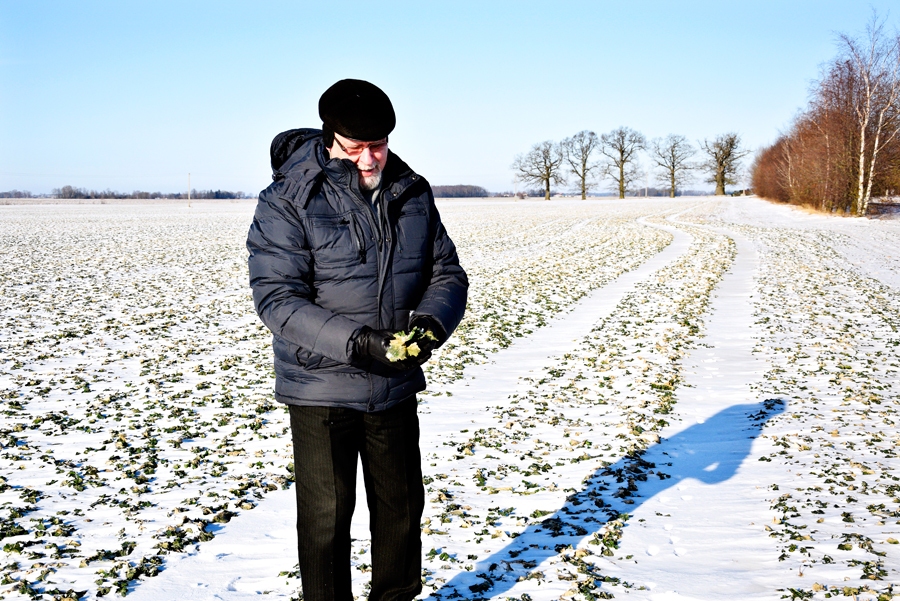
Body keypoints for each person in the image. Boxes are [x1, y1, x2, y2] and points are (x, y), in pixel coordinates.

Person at [246, 79, 468, 601]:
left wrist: (431, 325)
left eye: (378, 146)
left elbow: (447, 272)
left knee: (400, 508)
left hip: (391, 383)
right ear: (330, 139)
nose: (369, 159)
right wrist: (359, 342)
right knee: (327, 517)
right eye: (355, 148)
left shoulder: (410, 190)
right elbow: (278, 300)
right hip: (320, 387)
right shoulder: (287, 200)